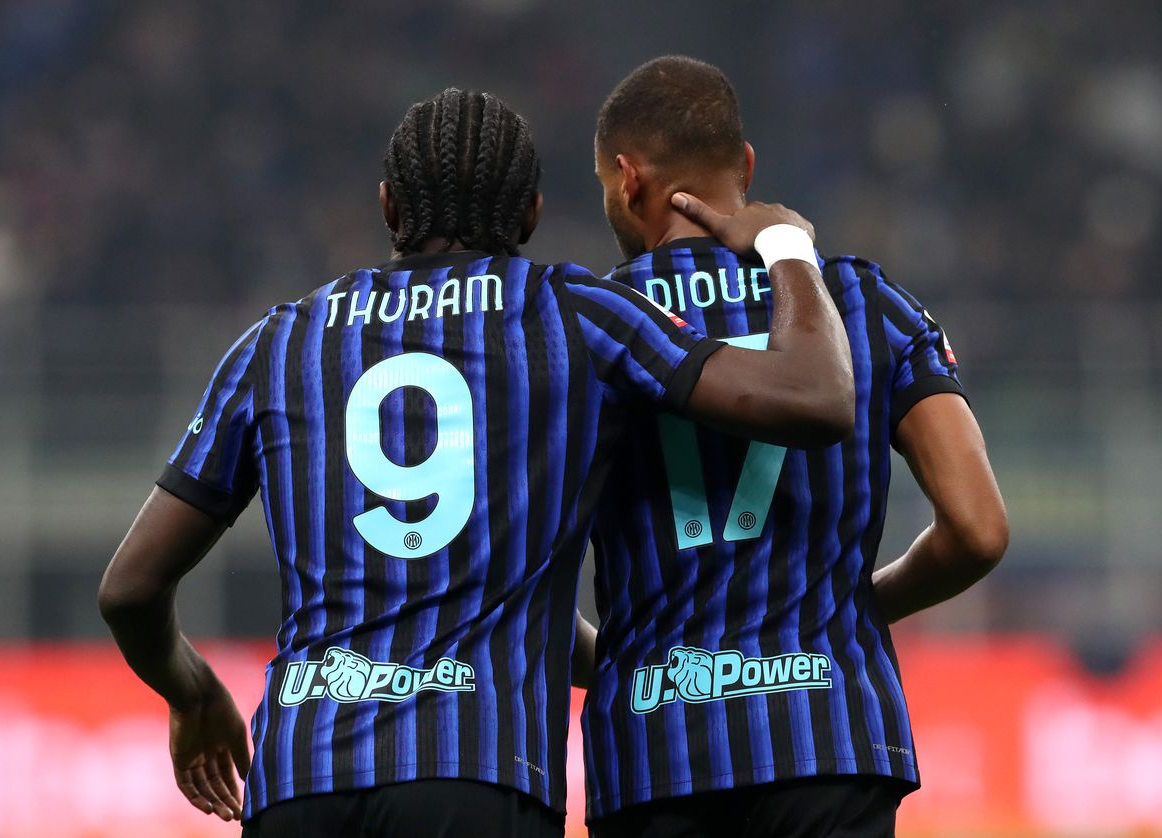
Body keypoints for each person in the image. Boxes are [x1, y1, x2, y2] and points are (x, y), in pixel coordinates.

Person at [97, 87, 854, 838]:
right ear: (531, 215)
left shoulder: (279, 342)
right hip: (478, 772)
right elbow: (815, 397)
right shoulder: (572, 313)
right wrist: (786, 248)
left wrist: (193, 693)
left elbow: (130, 589)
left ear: (389, 206)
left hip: (300, 777)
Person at [576, 56, 1009, 838]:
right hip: (830, 737)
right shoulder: (865, 302)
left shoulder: (587, 328)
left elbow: (515, 564)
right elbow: (978, 529)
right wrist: (856, 609)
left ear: (626, 178)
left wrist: (617, 659)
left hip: (655, 749)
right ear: (745, 167)